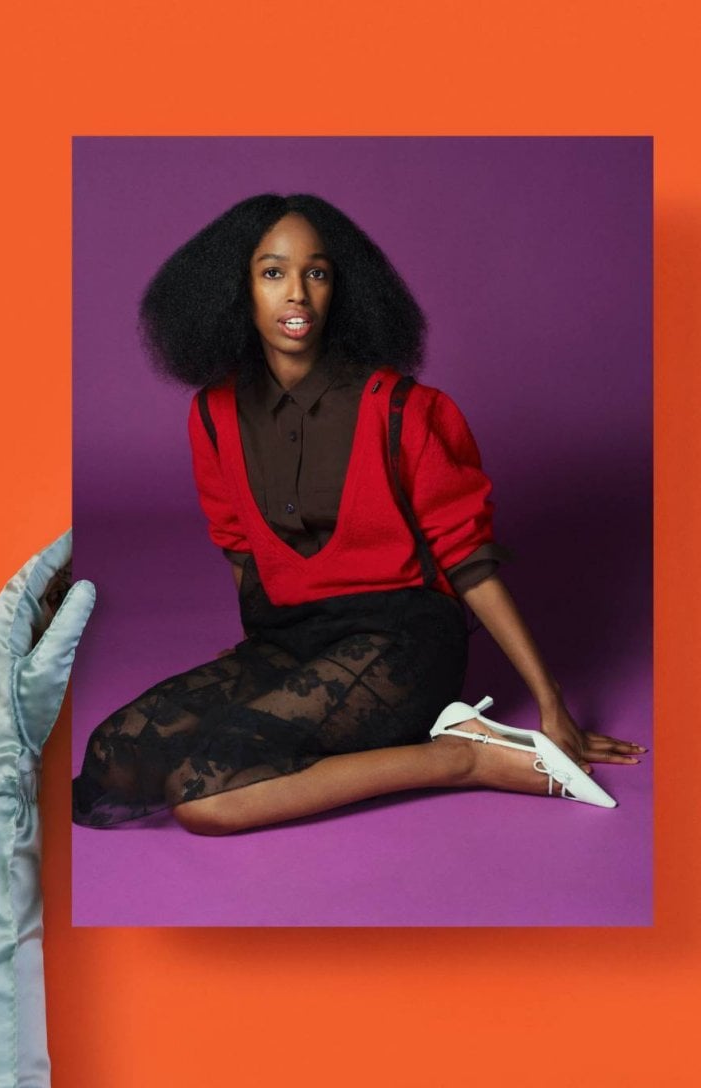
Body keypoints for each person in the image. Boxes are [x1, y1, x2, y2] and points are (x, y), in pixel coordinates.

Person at [72, 193, 644, 835]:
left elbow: (467, 560)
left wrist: (551, 700)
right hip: (292, 637)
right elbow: (239, 547)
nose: (297, 293)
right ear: (236, 289)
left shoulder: (403, 410)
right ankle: (417, 740)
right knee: (115, 755)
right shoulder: (213, 413)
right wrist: (257, 661)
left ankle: (462, 758)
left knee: (204, 800)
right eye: (272, 272)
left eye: (316, 273)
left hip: (400, 641)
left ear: (340, 289)